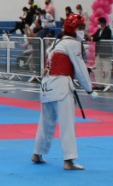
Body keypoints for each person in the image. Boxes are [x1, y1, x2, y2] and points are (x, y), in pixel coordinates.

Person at [32, 14, 93, 170]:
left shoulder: (55, 43)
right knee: (67, 124)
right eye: (79, 28)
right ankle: (69, 160)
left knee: (46, 122)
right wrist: (89, 89)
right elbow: (80, 68)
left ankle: (37, 153)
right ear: (72, 29)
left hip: (46, 85)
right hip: (61, 87)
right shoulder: (72, 44)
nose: (82, 31)